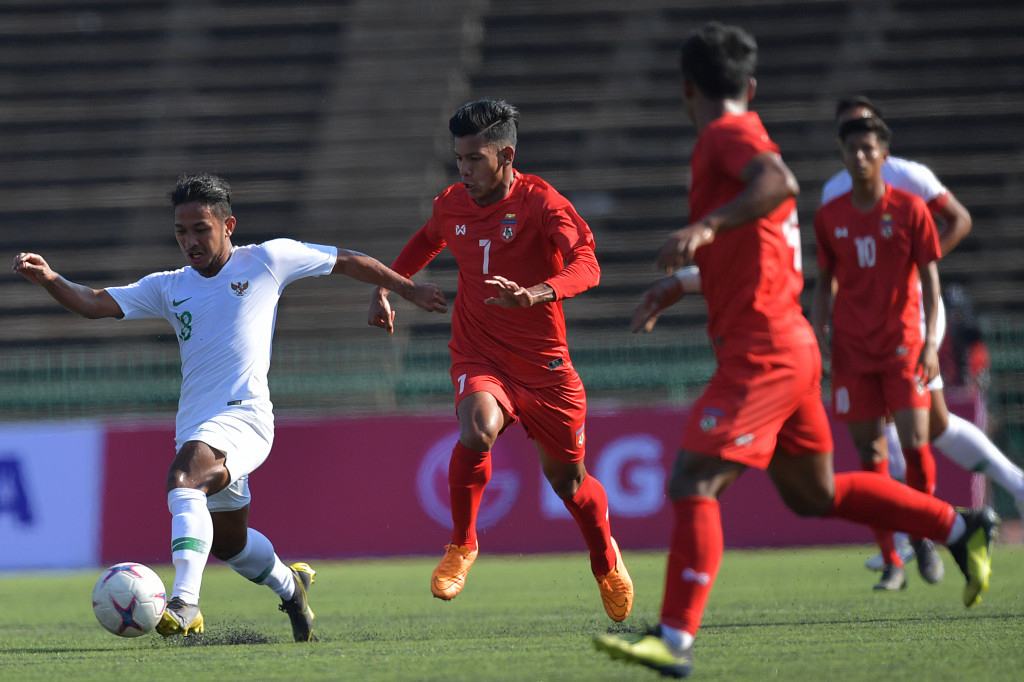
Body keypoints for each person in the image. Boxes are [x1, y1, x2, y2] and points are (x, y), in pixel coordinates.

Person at [591, 22, 998, 679]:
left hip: (765, 351)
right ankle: (961, 528)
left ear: (686, 88)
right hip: (787, 341)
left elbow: (779, 181)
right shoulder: (740, 144)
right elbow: (767, 251)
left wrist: (704, 225)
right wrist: (685, 281)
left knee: (693, 479)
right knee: (813, 494)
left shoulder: (727, 137)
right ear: (749, 86)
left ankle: (673, 640)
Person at [13, 173, 447, 640]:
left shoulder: (267, 260)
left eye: (201, 228)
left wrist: (405, 289)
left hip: (246, 417)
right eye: (181, 231)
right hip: (197, 426)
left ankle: (184, 603)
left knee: (182, 480)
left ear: (228, 225)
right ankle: (291, 584)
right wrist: (51, 279)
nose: (190, 241)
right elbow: (95, 303)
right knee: (229, 543)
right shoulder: (169, 286)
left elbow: (347, 261)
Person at [367, 98, 634, 622]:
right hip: (479, 351)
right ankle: (462, 545)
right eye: (459, 160)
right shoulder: (453, 202)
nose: (464, 170)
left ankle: (605, 560)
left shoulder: (542, 203)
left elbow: (588, 265)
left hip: (545, 367)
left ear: (505, 154)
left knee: (570, 485)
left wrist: (539, 292)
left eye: (474, 159)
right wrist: (390, 288)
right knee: (478, 429)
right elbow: (427, 239)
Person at [822, 97, 1024, 572]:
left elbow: (959, 219)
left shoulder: (909, 177)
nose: (857, 142)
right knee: (915, 427)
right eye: (848, 131)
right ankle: (923, 526)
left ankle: (928, 527)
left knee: (917, 426)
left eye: (865, 129)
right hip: (864, 325)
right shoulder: (835, 190)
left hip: (911, 316)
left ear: (879, 137)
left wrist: (914, 264)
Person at [812, 115, 945, 591]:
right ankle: (892, 560)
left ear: (883, 154)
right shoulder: (830, 216)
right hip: (851, 351)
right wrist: (819, 339)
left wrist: (930, 343)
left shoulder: (910, 208)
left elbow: (930, 280)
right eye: (852, 149)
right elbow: (823, 287)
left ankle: (925, 533)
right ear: (843, 154)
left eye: (869, 148)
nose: (861, 156)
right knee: (870, 458)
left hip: (903, 346)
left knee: (915, 444)